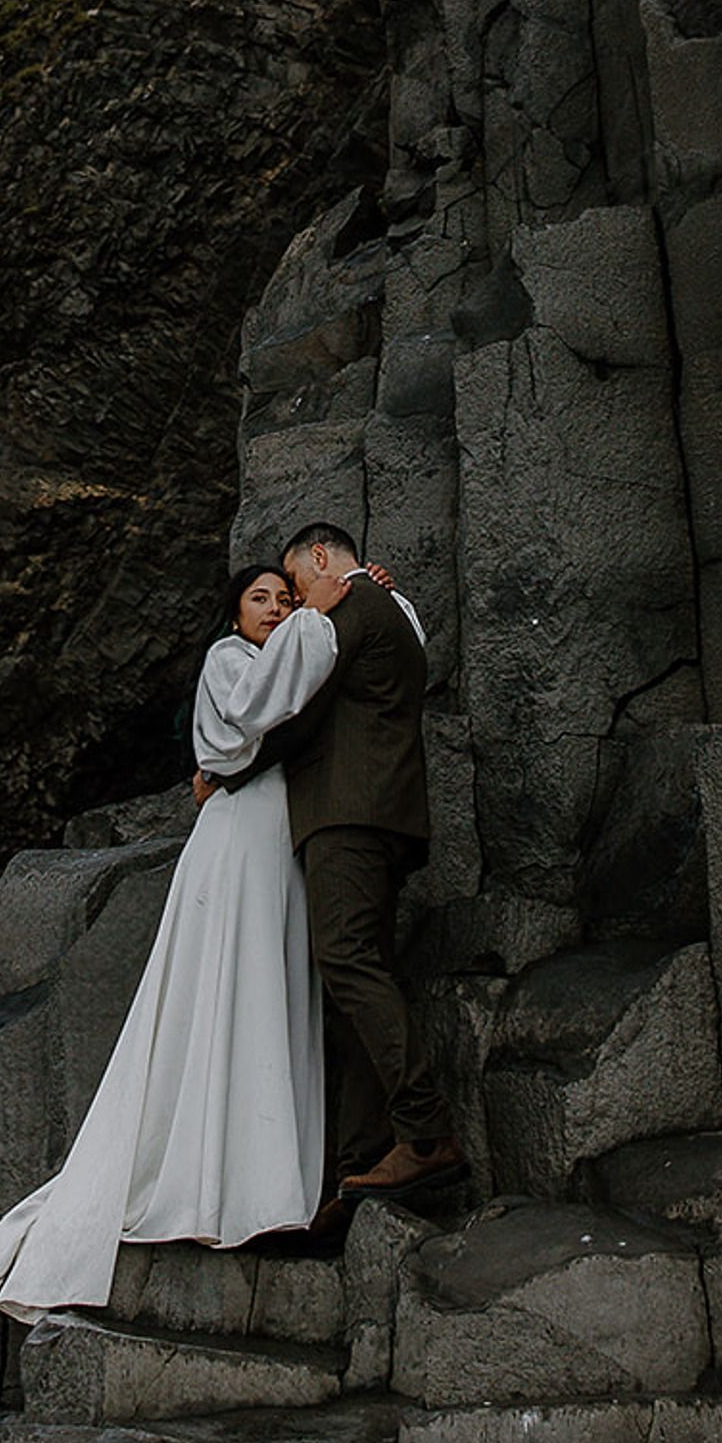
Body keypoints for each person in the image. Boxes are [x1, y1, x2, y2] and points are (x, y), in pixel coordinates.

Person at [0, 563, 334, 1323]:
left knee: (266, 994)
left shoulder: (287, 659)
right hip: (237, 842)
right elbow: (246, 741)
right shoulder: (230, 659)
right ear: (235, 615)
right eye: (259, 599)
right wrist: (319, 616)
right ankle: (220, 1186)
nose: (275, 609)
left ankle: (261, 1185)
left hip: (276, 836)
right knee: (228, 991)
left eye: (284, 599)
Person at [209, 518, 466, 1211]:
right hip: (386, 814)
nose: (295, 601)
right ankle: (359, 1165)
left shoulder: (348, 605)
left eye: (294, 585)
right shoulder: (397, 611)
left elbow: (283, 711)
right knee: (355, 978)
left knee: (347, 962)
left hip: (348, 815)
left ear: (319, 558)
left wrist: (224, 770)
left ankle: (425, 1129)